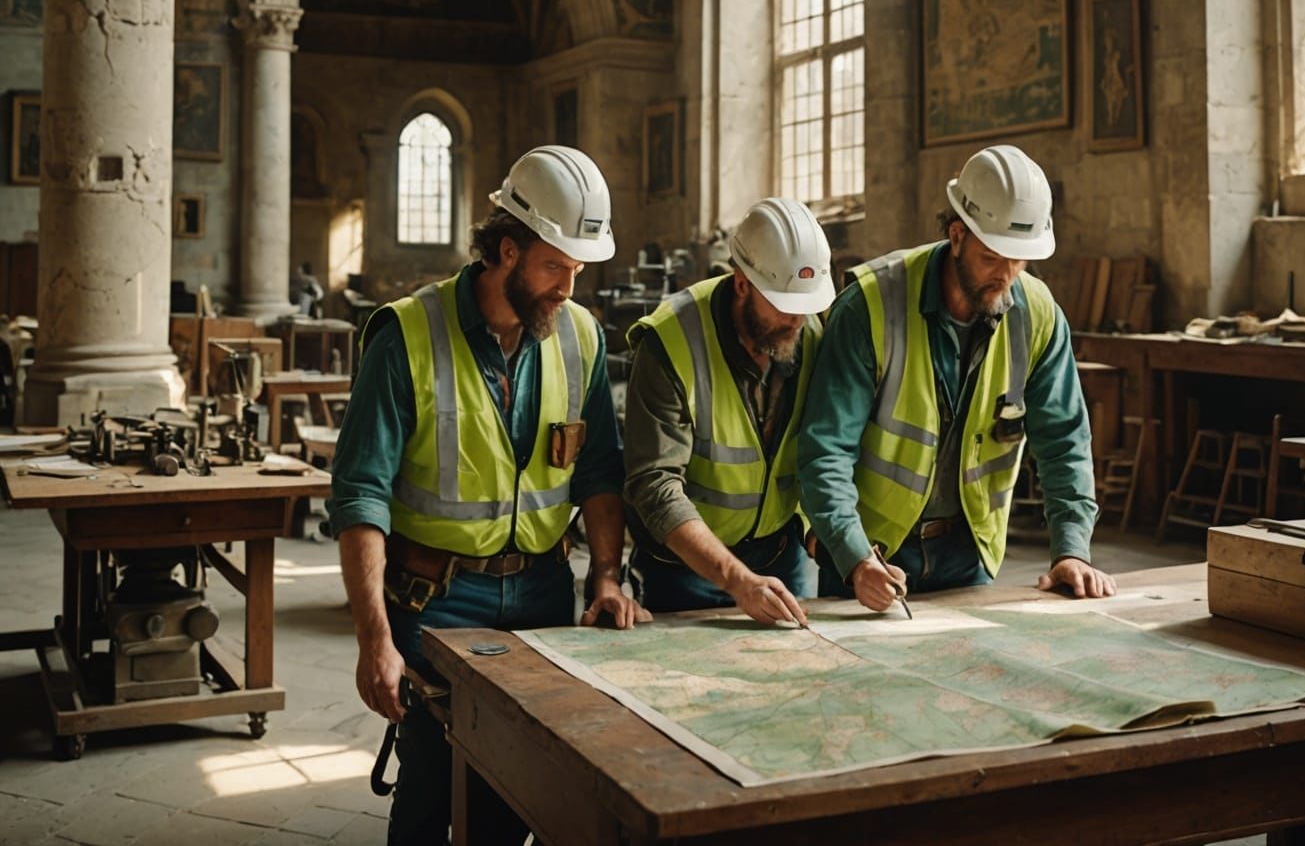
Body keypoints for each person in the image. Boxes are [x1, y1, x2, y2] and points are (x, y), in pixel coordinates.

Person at [330, 145, 646, 846]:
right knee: (430, 785)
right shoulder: (406, 335)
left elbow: (598, 472)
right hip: (434, 600)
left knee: (519, 791)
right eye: (557, 267)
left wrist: (605, 575)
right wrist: (373, 641)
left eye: (579, 268)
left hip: (540, 594)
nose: (571, 286)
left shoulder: (581, 337)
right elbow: (360, 497)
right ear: (508, 250)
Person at [800, 144, 1114, 609]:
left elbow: (1064, 439)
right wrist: (852, 555)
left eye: (1020, 259)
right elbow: (826, 448)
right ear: (957, 235)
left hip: (970, 552)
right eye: (993, 257)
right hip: (874, 553)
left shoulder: (1039, 315)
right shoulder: (870, 306)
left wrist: (1071, 550)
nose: (1007, 275)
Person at [622, 198, 834, 624]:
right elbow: (655, 486)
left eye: (804, 307)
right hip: (685, 568)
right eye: (783, 307)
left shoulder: (808, 331)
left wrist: (833, 542)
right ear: (742, 284)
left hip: (782, 556)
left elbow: (822, 448)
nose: (797, 322)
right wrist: (739, 581)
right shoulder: (671, 340)